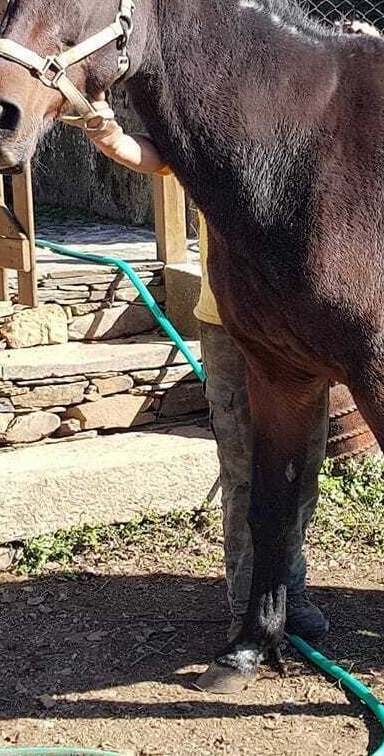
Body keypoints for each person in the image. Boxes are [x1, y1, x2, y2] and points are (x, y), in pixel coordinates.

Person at [82, 118, 331, 641]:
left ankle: (291, 591)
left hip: (298, 328)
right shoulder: (212, 128)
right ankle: (249, 602)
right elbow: (151, 154)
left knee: (303, 464)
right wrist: (104, 132)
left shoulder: (308, 113)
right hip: (230, 324)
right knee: (246, 466)